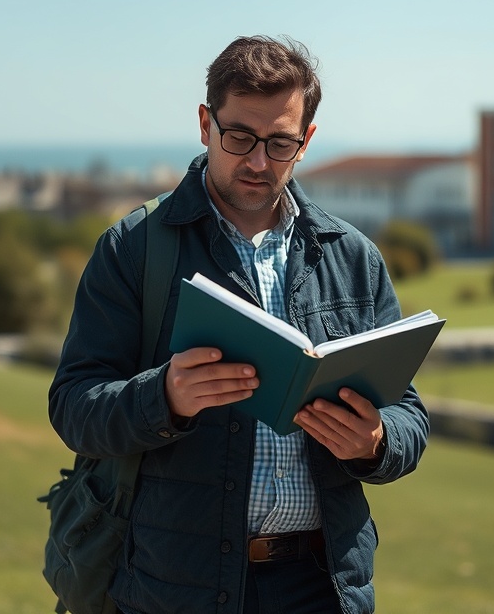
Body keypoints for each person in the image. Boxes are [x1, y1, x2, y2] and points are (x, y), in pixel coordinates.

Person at [49, 35, 429, 614]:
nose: (257, 162)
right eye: (240, 137)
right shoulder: (133, 248)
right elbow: (73, 406)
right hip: (177, 587)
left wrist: (376, 442)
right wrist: (164, 397)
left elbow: (410, 415)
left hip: (324, 587)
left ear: (306, 141)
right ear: (206, 124)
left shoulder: (354, 257)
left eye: (280, 143)